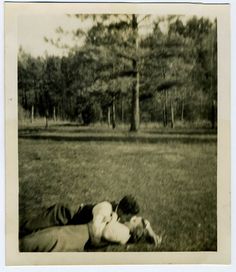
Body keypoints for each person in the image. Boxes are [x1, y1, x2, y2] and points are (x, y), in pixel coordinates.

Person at [20, 195, 140, 245]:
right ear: (123, 211)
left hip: (72, 224)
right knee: (28, 228)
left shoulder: (116, 213)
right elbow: (95, 231)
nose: (128, 220)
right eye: (128, 217)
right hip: (65, 214)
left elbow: (140, 221)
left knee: (42, 237)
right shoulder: (106, 208)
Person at [19, 212, 161, 252]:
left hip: (76, 236)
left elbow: (106, 232)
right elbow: (144, 226)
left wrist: (111, 218)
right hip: (77, 236)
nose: (132, 218)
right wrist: (150, 231)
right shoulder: (126, 234)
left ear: (134, 226)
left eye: (135, 220)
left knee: (32, 243)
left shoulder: (122, 232)